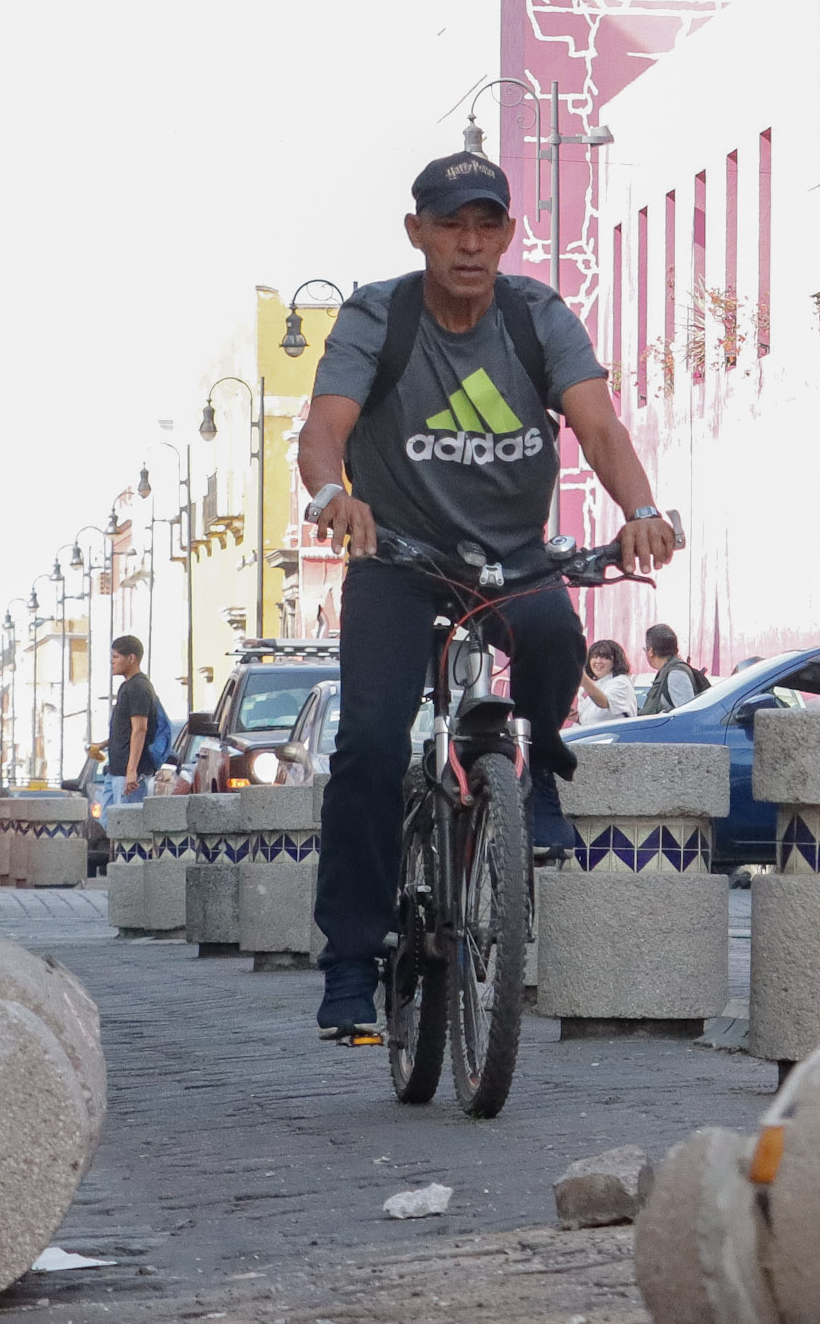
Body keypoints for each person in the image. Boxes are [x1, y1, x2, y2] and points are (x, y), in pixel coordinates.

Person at [294, 149, 679, 1040]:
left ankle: (541, 762)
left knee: (552, 634)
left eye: (486, 225)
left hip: (511, 555)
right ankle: (351, 961)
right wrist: (331, 496)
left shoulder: (535, 316)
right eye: (450, 225)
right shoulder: (376, 316)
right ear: (417, 231)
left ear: (507, 233)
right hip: (398, 557)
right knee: (369, 745)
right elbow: (323, 431)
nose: (469, 244)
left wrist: (642, 509)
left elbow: (599, 425)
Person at [99, 637, 164, 810]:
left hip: (129, 774)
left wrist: (131, 771)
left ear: (131, 658)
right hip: (115, 770)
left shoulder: (138, 687)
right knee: (108, 820)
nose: (112, 662)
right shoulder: (126, 687)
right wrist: (104, 744)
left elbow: (140, 729)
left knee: (127, 825)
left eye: (116, 657)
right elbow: (126, 729)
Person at [638, 625, 706, 715]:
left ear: (650, 651)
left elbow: (686, 716)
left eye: (645, 649)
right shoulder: (667, 671)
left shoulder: (676, 674)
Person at [574, 638, 638, 726]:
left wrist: (584, 679)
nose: (598, 661)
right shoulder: (599, 684)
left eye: (604, 658)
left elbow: (604, 703)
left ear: (615, 661)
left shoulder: (622, 682)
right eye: (595, 657)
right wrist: (577, 718)